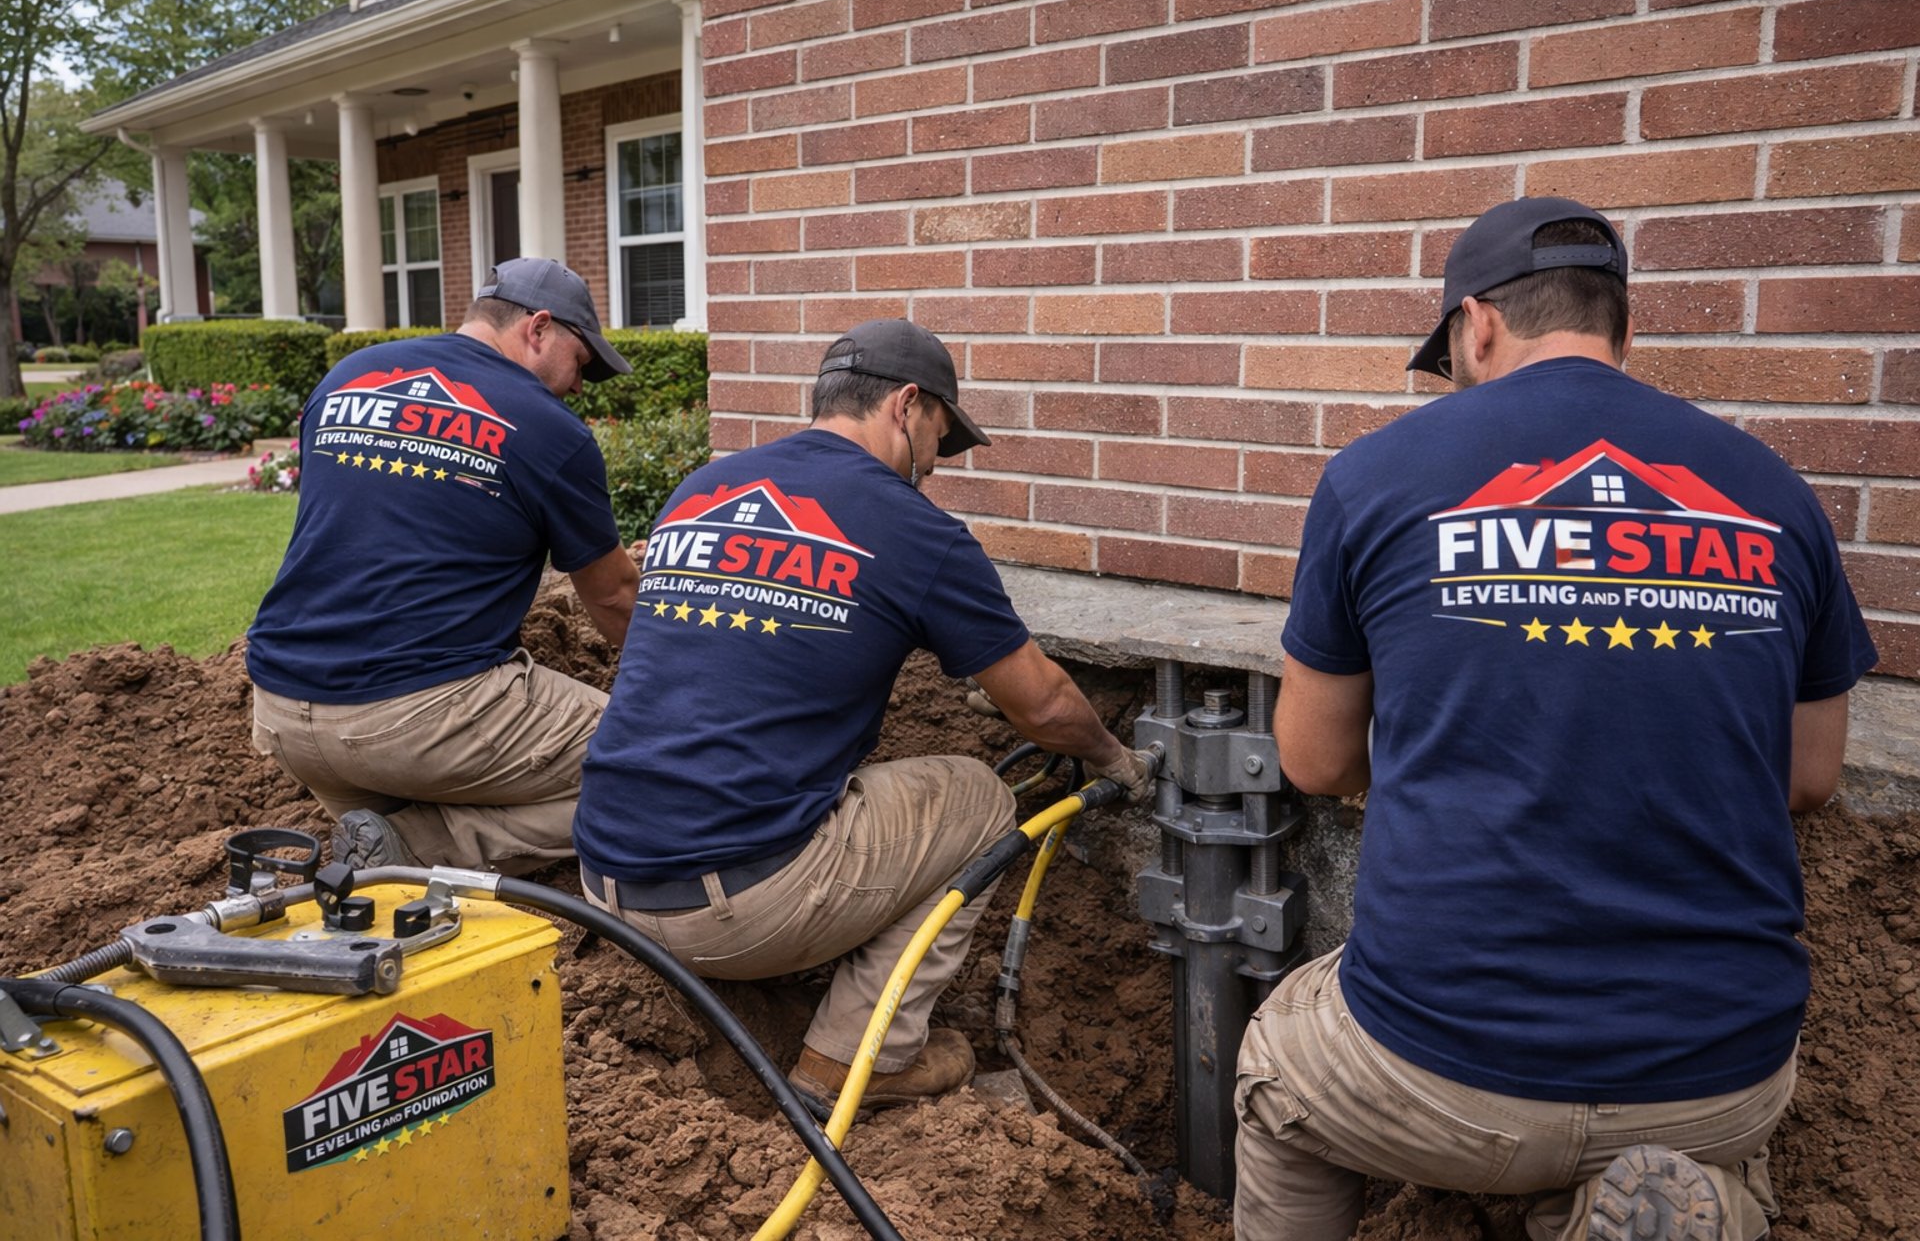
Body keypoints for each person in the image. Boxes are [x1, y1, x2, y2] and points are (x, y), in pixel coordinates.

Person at [1236, 198, 1878, 1241]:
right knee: (1686, 1154)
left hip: (1438, 1070)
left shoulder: (1373, 476)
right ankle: (1690, 1198)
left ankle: (1555, 1175)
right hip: (1720, 1076)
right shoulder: (1776, 493)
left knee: (1278, 1071)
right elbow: (1811, 777)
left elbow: (1312, 759)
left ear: (1475, 326)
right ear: (1627, 329)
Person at [573, 318, 1155, 1108]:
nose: (934, 470)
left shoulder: (702, 490)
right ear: (907, 405)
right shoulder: (915, 531)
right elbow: (1047, 707)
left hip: (604, 883)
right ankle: (856, 1060)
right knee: (979, 799)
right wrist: (1117, 762)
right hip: (734, 917)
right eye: (939, 441)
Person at [246, 258, 639, 873]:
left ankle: (389, 826)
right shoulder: (547, 427)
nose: (579, 387)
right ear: (539, 328)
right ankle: (422, 847)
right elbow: (615, 599)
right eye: (581, 362)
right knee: (658, 769)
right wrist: (694, 691)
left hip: (283, 712)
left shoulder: (348, 377)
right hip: (415, 723)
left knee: (419, 766)